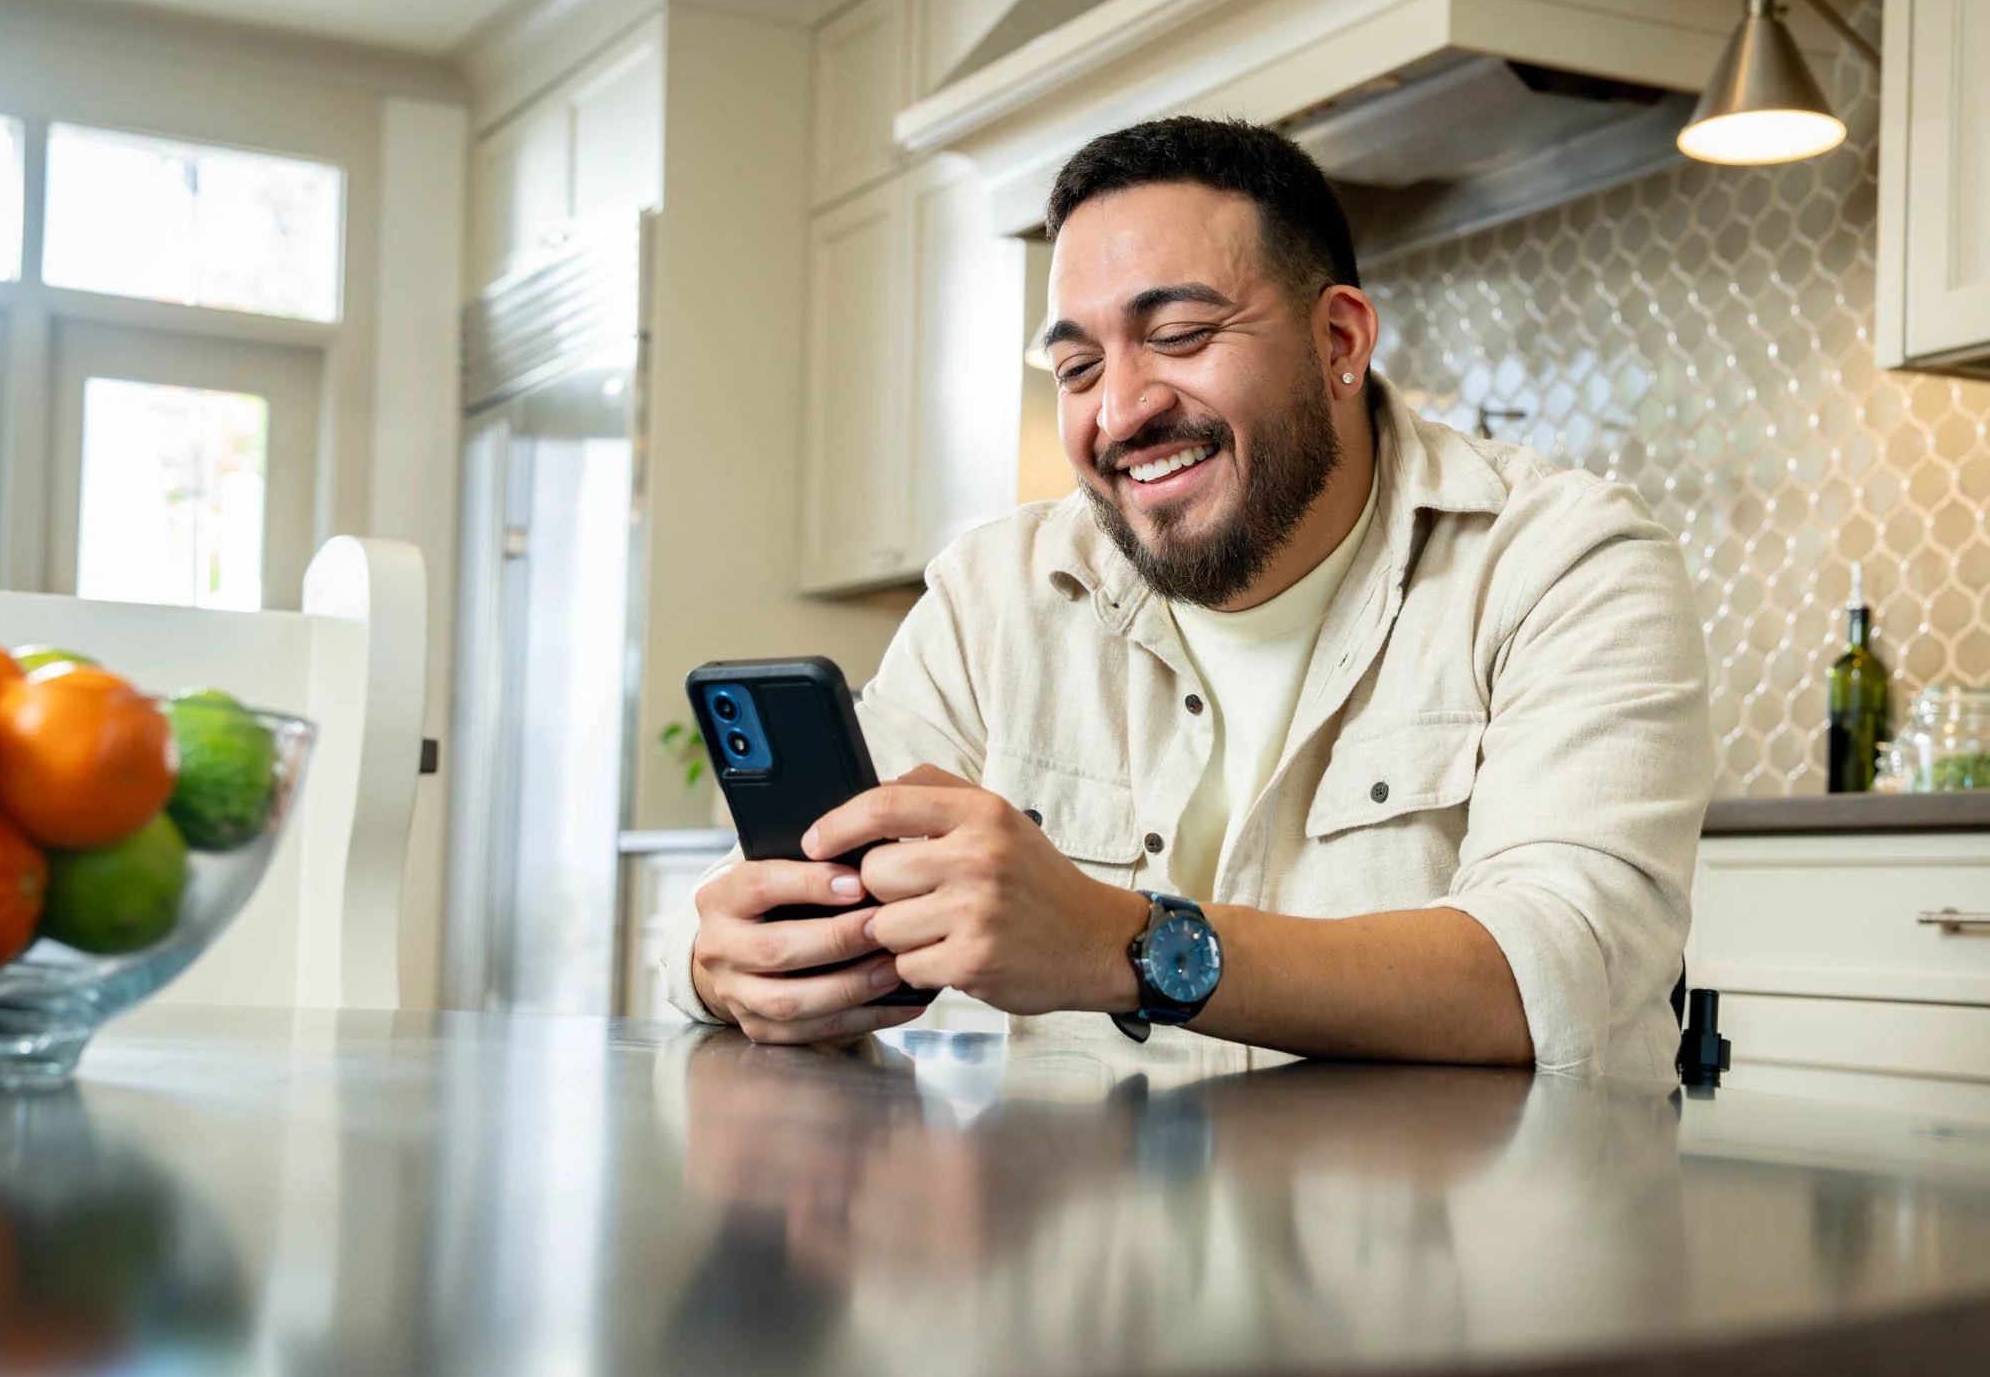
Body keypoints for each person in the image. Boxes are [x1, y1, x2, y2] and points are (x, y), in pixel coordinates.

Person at [664, 116, 1711, 1077]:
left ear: (1339, 340)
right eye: (1076, 366)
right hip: (1088, 1260)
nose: (1120, 409)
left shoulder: (1564, 561)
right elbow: (734, 911)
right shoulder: (994, 595)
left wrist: (1125, 942)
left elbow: (1559, 968)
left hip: (1450, 1260)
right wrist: (731, 961)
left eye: (1178, 336)